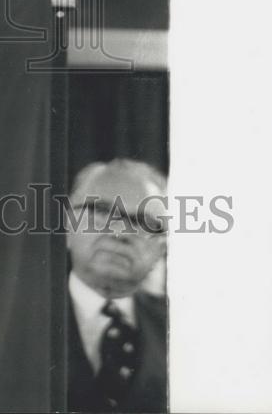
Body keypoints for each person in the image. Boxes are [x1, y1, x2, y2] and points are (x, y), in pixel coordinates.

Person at [65, 158, 167, 413]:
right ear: (68, 223)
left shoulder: (183, 330)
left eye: (144, 223)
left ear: (162, 249)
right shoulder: (13, 322)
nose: (120, 233)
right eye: (101, 211)